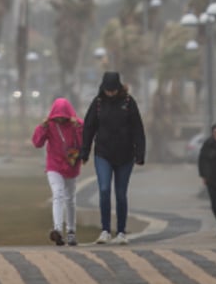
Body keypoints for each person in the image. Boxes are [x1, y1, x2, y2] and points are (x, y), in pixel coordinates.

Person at [80, 71, 146, 245]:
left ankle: (122, 232)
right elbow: (88, 128)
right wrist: (84, 152)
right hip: (103, 154)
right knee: (103, 189)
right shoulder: (98, 103)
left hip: (125, 156)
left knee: (121, 194)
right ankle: (105, 230)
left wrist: (140, 153)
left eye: (113, 90)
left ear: (119, 87)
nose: (110, 93)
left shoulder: (128, 103)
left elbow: (138, 129)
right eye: (107, 90)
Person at [31, 97, 84, 247]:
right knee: (58, 194)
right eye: (58, 117)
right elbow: (37, 143)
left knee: (70, 199)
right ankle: (58, 229)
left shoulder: (77, 125)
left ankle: (72, 231)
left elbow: (83, 144)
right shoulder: (50, 125)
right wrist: (42, 127)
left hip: (71, 165)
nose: (60, 120)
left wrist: (78, 128)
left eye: (63, 117)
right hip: (54, 166)